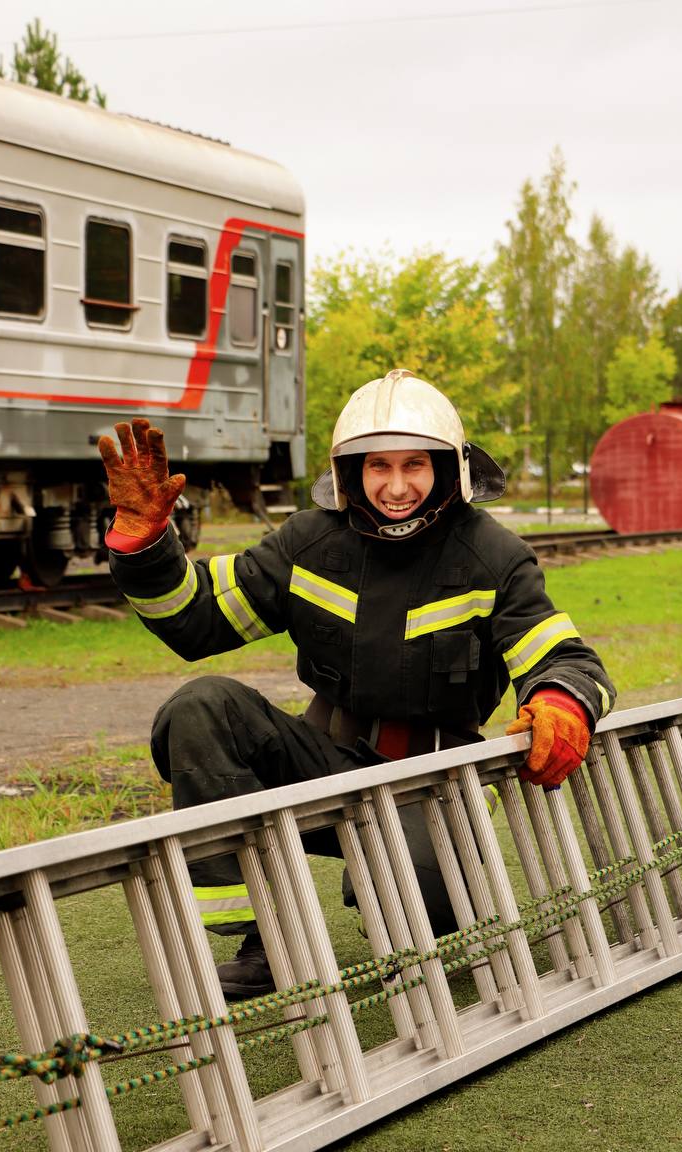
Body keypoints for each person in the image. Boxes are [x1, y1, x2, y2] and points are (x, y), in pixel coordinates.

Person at [99, 368, 615, 999]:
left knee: (424, 926)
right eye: (377, 467)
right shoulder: (308, 542)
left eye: (414, 465)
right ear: (349, 473)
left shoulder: (493, 555)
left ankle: (427, 889)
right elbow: (196, 618)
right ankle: (269, 939)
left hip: (433, 779)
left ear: (450, 468)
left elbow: (563, 655)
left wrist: (561, 702)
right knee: (202, 707)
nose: (396, 487)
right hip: (328, 764)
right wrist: (146, 542)